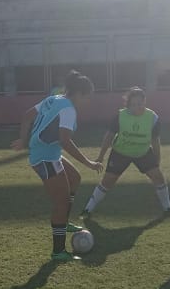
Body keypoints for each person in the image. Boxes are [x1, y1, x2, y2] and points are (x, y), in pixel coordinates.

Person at [12, 70, 103, 262]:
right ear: (79, 93)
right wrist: (89, 162)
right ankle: (58, 251)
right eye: (88, 97)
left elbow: (27, 116)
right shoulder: (68, 109)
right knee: (61, 203)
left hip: (47, 153)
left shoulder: (54, 99)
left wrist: (24, 139)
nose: (88, 101)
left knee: (74, 178)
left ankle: (65, 222)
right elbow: (65, 141)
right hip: (45, 158)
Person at [80, 87, 170, 218]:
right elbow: (109, 137)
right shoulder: (120, 116)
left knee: (158, 177)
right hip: (121, 152)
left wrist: (157, 160)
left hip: (143, 152)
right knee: (108, 181)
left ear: (144, 102)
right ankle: (87, 210)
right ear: (128, 104)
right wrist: (100, 156)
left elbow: (155, 141)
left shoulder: (152, 118)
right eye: (133, 104)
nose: (137, 107)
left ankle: (168, 209)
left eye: (140, 103)